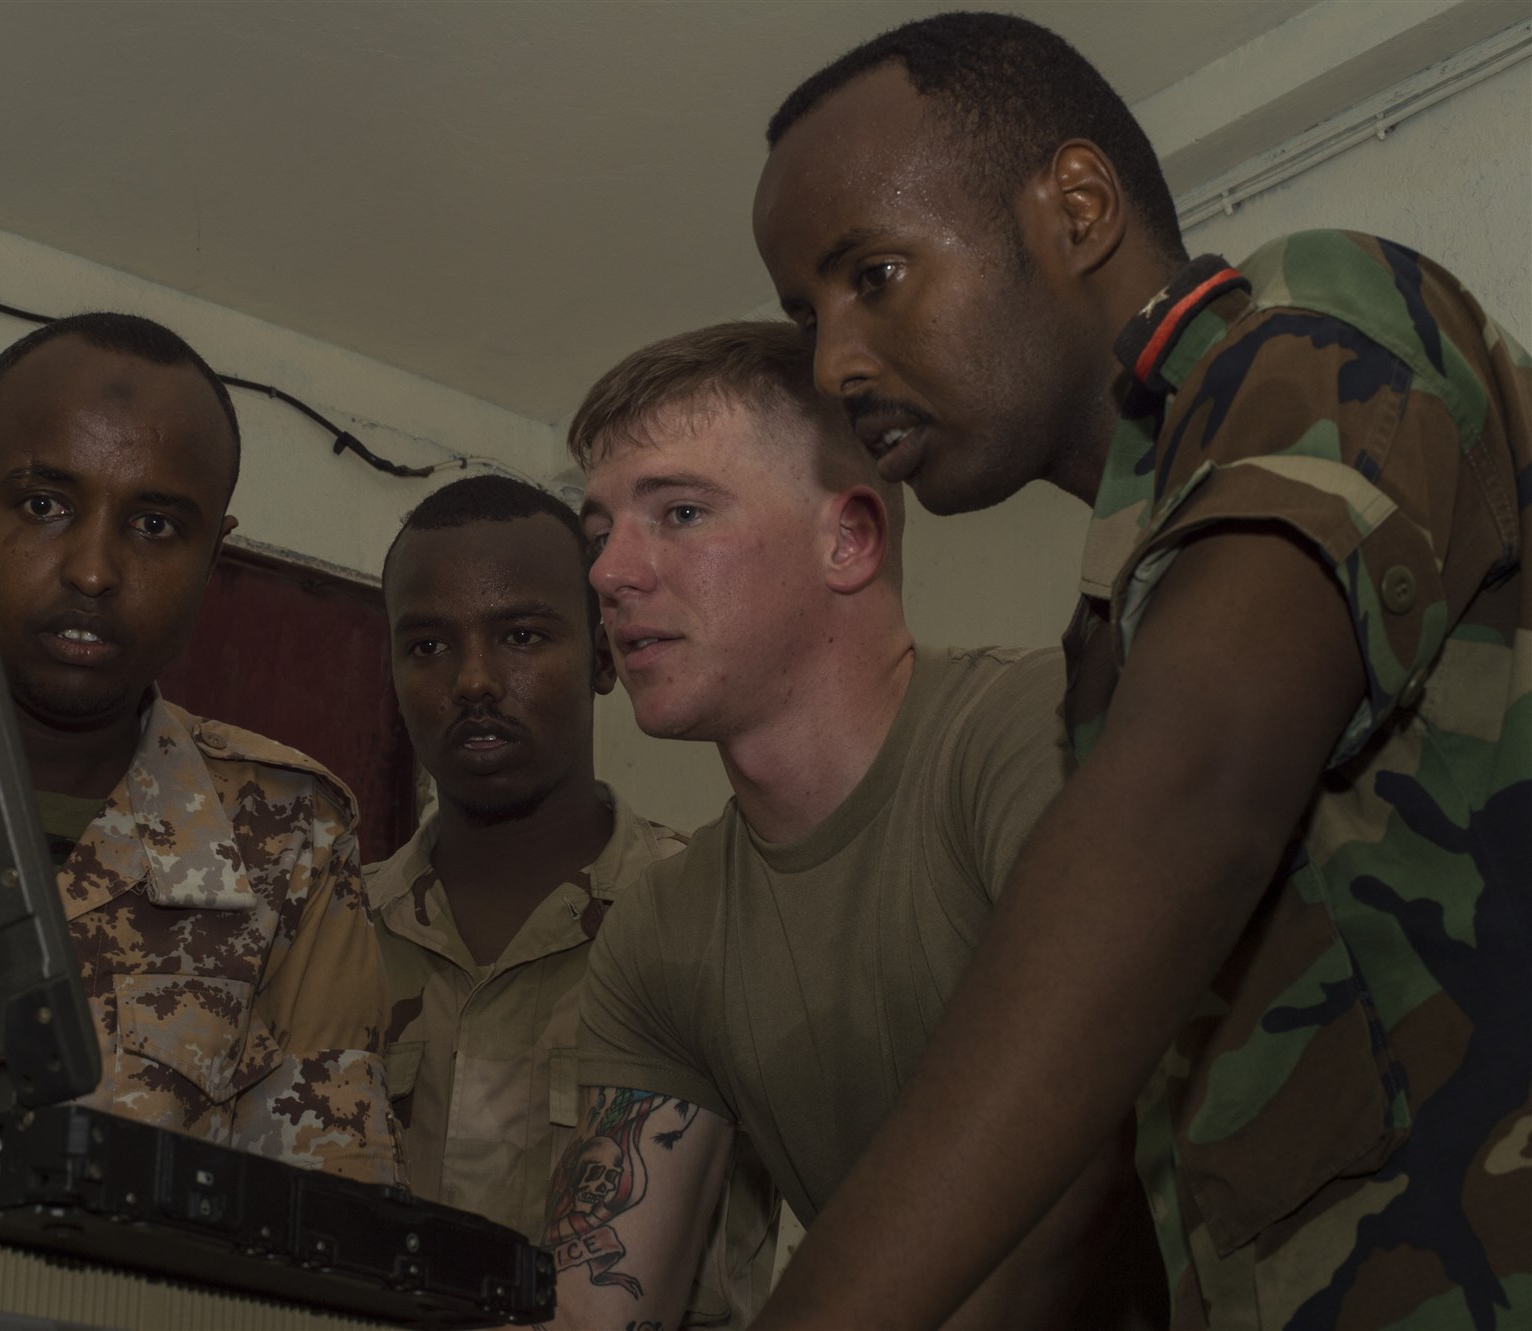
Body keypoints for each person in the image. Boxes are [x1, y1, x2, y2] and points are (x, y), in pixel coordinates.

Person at [750, 12, 1531, 1330]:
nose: (833, 362)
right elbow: (1079, 1165)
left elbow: (1191, 800)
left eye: (874, 274)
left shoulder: (1312, 318)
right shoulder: (1120, 632)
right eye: (804, 313)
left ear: (1077, 206)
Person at [546, 322, 1131, 1331]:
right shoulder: (662, 929)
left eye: (678, 512)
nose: (608, 573)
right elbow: (597, 1307)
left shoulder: (1034, 740)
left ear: (848, 538)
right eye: (599, 533)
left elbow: (1074, 1193)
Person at [0, 312, 400, 1185]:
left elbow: (328, 1215)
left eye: (156, 525)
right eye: (44, 505)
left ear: (214, 556)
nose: (93, 569)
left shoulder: (286, 834)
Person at [368, 474, 777, 1328]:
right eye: (428, 646)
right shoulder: (332, 931)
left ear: (602, 654)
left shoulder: (722, 916)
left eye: (520, 635)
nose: (474, 680)